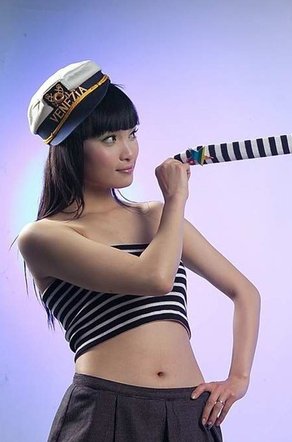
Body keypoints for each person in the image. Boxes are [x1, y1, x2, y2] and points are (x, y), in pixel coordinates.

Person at [18, 60, 261, 441]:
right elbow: (154, 278)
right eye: (109, 139)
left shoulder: (155, 218)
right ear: (71, 149)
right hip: (106, 411)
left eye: (132, 134)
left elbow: (244, 291)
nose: (128, 151)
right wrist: (177, 199)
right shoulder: (43, 237)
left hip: (190, 412)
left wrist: (238, 378)